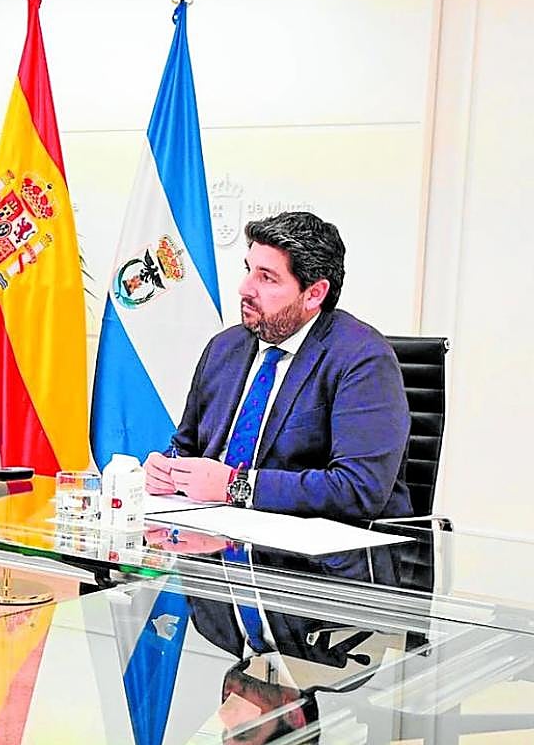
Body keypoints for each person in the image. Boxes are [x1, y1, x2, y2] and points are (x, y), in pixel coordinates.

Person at [144, 211, 412, 523]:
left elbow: (359, 489)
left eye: (267, 277)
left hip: (316, 561)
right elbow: (186, 447)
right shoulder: (224, 348)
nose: (245, 288)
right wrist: (166, 469)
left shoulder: (363, 358)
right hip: (214, 539)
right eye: (248, 270)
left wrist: (236, 486)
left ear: (314, 294)